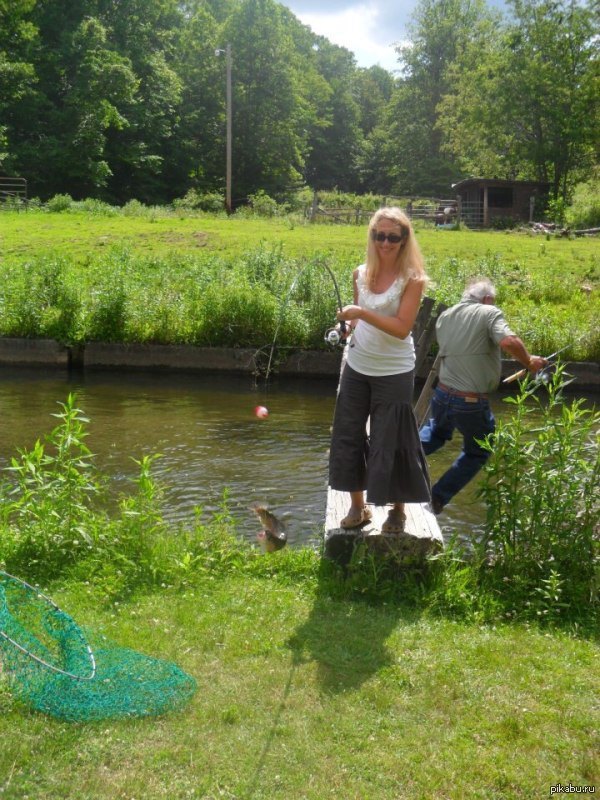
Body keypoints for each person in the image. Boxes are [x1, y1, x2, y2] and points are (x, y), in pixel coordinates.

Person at [328, 207, 431, 534]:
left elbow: (401, 328)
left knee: (392, 437)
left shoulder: (413, 279)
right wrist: (346, 326)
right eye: (378, 235)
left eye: (392, 237)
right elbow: (358, 321)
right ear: (371, 236)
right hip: (357, 364)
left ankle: (398, 511)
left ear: (404, 240)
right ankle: (358, 507)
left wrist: (361, 313)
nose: (384, 243)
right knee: (348, 432)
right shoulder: (360, 273)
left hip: (394, 370)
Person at [419, 277, 547, 514]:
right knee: (478, 450)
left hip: (442, 394)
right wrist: (529, 362)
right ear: (487, 299)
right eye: (493, 300)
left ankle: (392, 458)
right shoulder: (489, 312)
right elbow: (508, 341)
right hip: (469, 401)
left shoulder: (446, 316)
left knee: (436, 433)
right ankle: (436, 498)